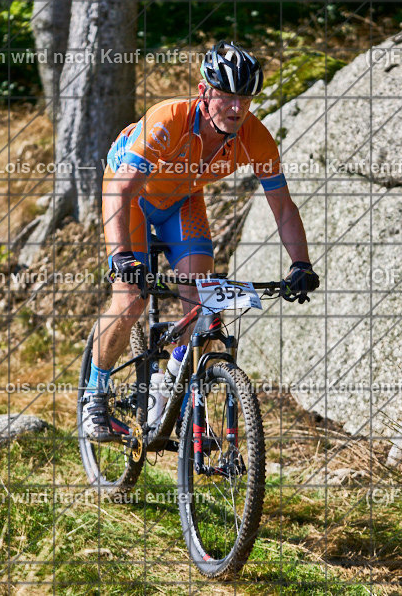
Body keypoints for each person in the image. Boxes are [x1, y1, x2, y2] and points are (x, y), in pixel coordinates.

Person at [82, 41, 320, 441]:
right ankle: (96, 396)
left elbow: (282, 206)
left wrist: (301, 264)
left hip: (182, 200)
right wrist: (123, 256)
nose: (236, 108)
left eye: (245, 98)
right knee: (130, 300)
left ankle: (168, 383)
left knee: (204, 302)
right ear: (204, 90)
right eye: (226, 96)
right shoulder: (168, 119)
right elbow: (119, 191)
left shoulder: (255, 137)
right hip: (132, 197)